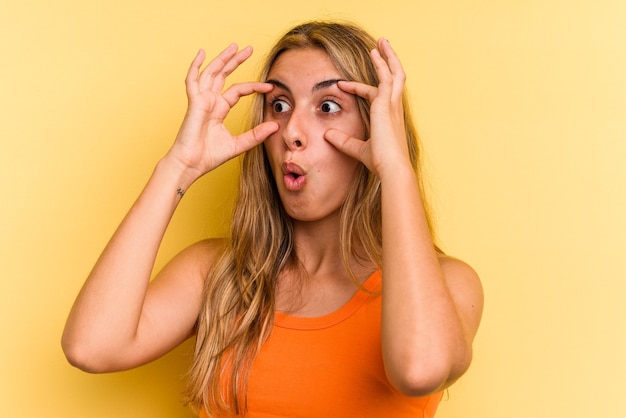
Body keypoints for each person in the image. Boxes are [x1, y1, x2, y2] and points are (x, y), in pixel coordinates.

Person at [62, 20, 484, 418]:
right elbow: (91, 347)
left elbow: (419, 370)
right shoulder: (218, 276)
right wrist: (179, 165)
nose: (291, 130)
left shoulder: (449, 284)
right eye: (278, 105)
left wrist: (395, 172)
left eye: (328, 106)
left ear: (377, 130)